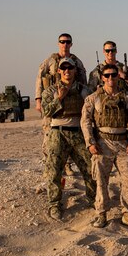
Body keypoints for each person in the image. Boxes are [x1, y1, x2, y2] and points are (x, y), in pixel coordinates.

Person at [81, 64, 128, 230]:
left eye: (113, 75)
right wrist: (90, 143)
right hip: (102, 143)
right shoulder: (93, 98)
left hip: (123, 144)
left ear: (117, 76)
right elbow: (85, 122)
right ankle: (101, 214)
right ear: (102, 77)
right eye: (107, 75)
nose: (110, 78)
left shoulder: (127, 98)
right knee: (101, 180)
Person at [40, 58, 96, 221]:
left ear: (74, 71)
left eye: (70, 68)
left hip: (78, 133)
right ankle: (54, 204)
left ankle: (93, 199)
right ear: (58, 71)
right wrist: (60, 97)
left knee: (89, 167)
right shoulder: (50, 91)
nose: (66, 71)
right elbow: (46, 112)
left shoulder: (83, 90)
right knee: (54, 170)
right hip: (58, 133)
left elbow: (93, 110)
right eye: (63, 68)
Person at [35, 33, 88, 132]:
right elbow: (39, 78)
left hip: (72, 99)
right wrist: (38, 100)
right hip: (53, 98)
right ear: (58, 44)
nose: (65, 44)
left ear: (71, 44)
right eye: (62, 42)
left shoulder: (76, 62)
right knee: (49, 129)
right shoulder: (50, 61)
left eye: (68, 42)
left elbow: (83, 80)